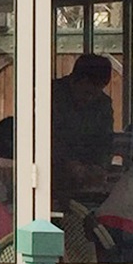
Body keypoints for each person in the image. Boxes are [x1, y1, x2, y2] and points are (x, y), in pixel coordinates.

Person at [51, 54, 116, 202]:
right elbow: (45, 136)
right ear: (75, 80)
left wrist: (100, 167)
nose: (90, 98)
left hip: (88, 180)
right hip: (50, 177)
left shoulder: (103, 104)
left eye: (97, 92)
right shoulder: (50, 96)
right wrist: (69, 163)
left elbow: (106, 140)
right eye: (87, 92)